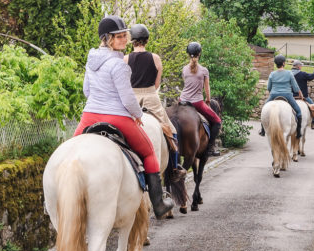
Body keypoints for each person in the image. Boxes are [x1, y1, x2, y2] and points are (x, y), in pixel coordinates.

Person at [73, 15, 174, 218]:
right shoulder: (119, 65)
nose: (124, 39)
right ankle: (159, 203)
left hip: (89, 115)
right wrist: (137, 115)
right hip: (116, 116)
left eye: (124, 35)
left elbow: (86, 91)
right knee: (148, 153)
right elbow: (128, 99)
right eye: (118, 37)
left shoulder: (91, 59)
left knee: (71, 151)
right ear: (107, 38)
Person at [126, 23, 184, 175]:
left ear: (132, 40)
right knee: (171, 130)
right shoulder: (156, 58)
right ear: (147, 40)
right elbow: (157, 83)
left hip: (131, 98)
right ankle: (175, 167)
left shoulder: (125, 59)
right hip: (151, 97)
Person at [178, 41, 222, 158]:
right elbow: (206, 88)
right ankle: (210, 148)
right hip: (196, 103)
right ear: (199, 54)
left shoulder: (184, 69)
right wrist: (207, 100)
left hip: (182, 101)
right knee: (217, 121)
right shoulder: (204, 70)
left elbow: (186, 84)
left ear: (188, 54)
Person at [264, 54, 302, 139]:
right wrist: (299, 92)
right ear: (284, 63)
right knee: (299, 111)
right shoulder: (289, 73)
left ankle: (263, 130)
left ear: (276, 64)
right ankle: (299, 132)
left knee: (264, 109)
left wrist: (273, 93)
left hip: (273, 95)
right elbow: (295, 87)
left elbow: (269, 87)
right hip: (287, 95)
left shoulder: (272, 74)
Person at [291, 60, 314, 130]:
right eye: (301, 65)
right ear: (298, 66)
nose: (301, 66)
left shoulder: (288, 74)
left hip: (291, 97)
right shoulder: (302, 74)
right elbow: (312, 76)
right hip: (303, 97)